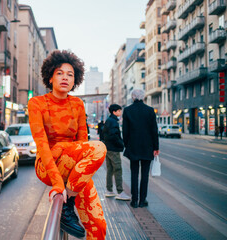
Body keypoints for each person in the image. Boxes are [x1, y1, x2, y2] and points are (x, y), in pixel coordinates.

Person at [28, 50, 107, 239]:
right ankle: (67, 204)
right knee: (99, 147)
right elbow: (42, 146)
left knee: (99, 226)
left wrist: (74, 176)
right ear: (50, 76)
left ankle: (67, 203)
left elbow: (81, 143)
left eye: (70, 74)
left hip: (72, 168)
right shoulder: (36, 103)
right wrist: (57, 184)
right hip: (47, 166)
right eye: (60, 73)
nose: (65, 78)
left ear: (75, 80)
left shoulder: (78, 104)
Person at [122, 89, 159, 208]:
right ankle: (143, 200)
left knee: (134, 174)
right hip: (147, 147)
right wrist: (156, 147)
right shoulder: (150, 110)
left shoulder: (128, 110)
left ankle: (134, 200)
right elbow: (154, 130)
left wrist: (127, 145)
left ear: (133, 97)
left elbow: (125, 131)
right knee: (144, 175)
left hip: (133, 146)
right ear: (143, 97)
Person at [102, 104, 130, 201]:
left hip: (108, 148)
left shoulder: (108, 121)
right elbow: (114, 136)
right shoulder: (113, 122)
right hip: (113, 149)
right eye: (119, 111)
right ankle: (120, 192)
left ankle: (109, 190)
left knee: (110, 170)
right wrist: (121, 144)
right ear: (114, 112)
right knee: (118, 169)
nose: (120, 112)